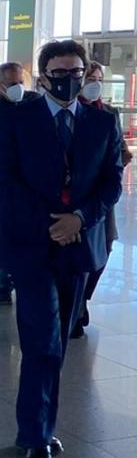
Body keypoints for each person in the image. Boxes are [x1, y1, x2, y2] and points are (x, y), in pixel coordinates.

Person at [0, 40, 122, 458]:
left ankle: (40, 427)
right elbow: (7, 180)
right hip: (31, 245)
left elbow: (112, 182)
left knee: (60, 343)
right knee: (41, 341)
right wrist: (54, 223)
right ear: (43, 74)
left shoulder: (103, 123)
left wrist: (81, 220)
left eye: (76, 72)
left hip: (78, 248)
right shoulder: (17, 120)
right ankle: (37, 434)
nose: (68, 80)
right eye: (59, 72)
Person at [74, 62, 132, 333]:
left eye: (99, 79)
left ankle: (83, 297)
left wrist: (122, 158)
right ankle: (74, 305)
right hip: (77, 194)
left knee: (105, 246)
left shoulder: (109, 113)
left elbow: (119, 148)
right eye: (90, 78)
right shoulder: (71, 112)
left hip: (103, 195)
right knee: (79, 250)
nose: (95, 83)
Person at [0, 60, 33, 304]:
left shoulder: (31, 105)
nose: (17, 88)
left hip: (24, 186)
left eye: (20, 83)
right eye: (12, 84)